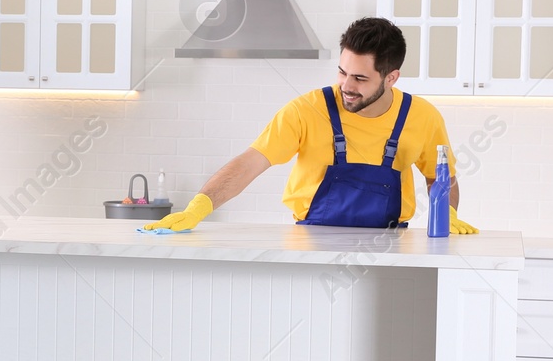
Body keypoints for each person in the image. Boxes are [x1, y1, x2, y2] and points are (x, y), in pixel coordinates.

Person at [152, 18, 478, 233]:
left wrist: (446, 215)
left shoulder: (421, 116)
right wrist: (199, 207)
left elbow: (440, 177)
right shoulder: (308, 110)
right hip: (311, 241)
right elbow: (250, 163)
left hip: (390, 246)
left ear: (391, 77)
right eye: (342, 72)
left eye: (360, 78)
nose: (346, 85)